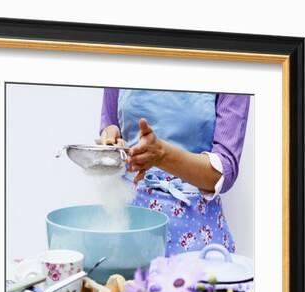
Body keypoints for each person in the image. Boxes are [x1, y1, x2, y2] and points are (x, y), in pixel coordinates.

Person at [100, 88, 250, 255]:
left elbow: (224, 173)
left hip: (196, 233)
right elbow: (111, 126)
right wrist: (110, 140)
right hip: (128, 226)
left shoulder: (230, 65)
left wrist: (163, 156)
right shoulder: (121, 62)